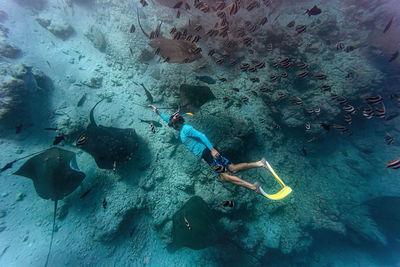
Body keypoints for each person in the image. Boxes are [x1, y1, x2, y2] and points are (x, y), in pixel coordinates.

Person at [148, 104, 267, 196]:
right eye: (172, 124)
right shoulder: (181, 129)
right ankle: (260, 163)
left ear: (179, 122)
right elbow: (166, 119)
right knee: (233, 168)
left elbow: (202, 136)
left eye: (174, 124)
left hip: (207, 153)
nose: (173, 126)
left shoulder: (186, 129)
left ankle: (253, 187)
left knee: (223, 177)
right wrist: (156, 111)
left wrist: (212, 150)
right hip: (207, 153)